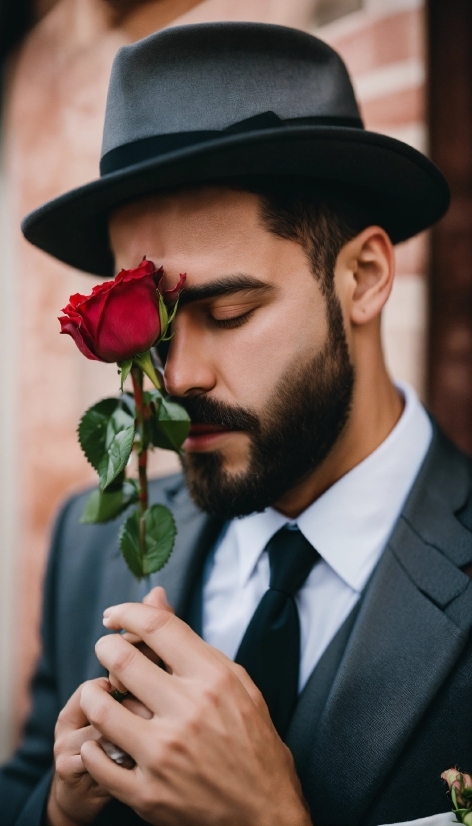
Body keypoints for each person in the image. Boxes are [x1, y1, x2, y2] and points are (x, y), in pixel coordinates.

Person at [2, 21, 472, 826]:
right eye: (153, 332)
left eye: (227, 310)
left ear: (362, 277)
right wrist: (58, 813)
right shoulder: (88, 554)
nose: (178, 379)